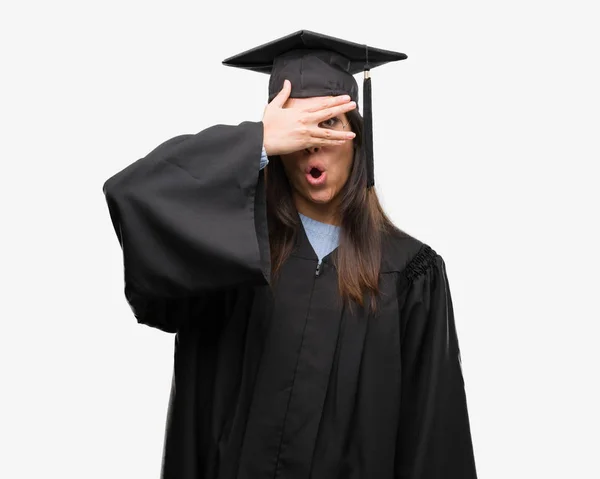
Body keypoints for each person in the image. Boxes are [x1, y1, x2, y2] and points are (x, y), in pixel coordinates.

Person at [103, 30, 478, 479]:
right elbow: (133, 196)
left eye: (329, 123)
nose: (311, 142)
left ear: (358, 136)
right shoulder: (231, 254)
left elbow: (435, 443)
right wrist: (256, 143)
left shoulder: (413, 273)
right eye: (295, 127)